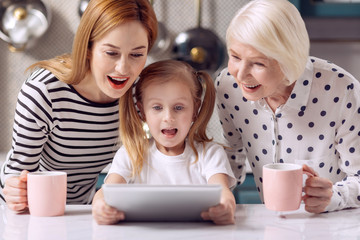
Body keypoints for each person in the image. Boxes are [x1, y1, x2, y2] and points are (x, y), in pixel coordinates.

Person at [0, 0, 158, 212]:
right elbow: (17, 175)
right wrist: (15, 191)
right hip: (33, 211)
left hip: (85, 212)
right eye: (111, 53)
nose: (123, 68)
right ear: (88, 47)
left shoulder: (139, 94)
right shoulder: (44, 92)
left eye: (137, 55)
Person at [216, 0, 360, 214]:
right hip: (273, 225)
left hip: (335, 226)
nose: (240, 73)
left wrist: (334, 196)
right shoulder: (228, 87)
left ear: (288, 60)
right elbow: (232, 154)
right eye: (235, 57)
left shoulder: (342, 90)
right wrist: (212, 191)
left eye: (258, 63)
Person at [92, 60, 236, 225]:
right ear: (142, 111)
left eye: (179, 107)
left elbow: (223, 193)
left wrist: (226, 207)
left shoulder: (210, 154)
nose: (168, 117)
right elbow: (106, 192)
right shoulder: (130, 154)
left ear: (195, 110)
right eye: (157, 107)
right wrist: (100, 206)